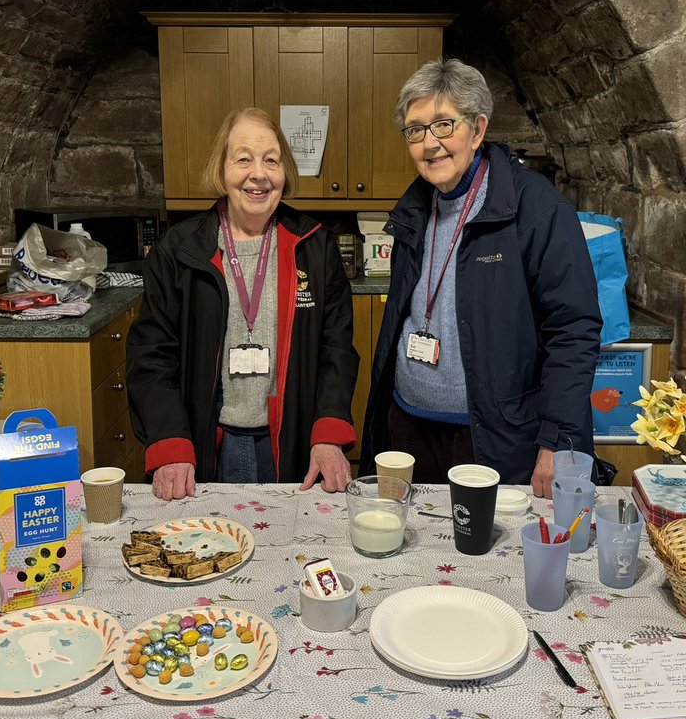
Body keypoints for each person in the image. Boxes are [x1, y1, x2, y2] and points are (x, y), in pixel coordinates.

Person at [360, 58, 602, 498]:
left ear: (478, 129)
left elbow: (574, 331)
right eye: (415, 130)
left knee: (491, 561)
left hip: (492, 437)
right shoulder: (414, 207)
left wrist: (558, 443)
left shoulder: (536, 209)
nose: (429, 143)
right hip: (409, 426)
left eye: (443, 125)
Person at [128, 107, 359, 500]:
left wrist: (329, 434)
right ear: (221, 170)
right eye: (243, 159)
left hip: (295, 446)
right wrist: (169, 441)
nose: (259, 173)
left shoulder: (315, 247)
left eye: (272, 159)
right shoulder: (179, 251)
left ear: (285, 171)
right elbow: (152, 355)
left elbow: (336, 349)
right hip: (205, 448)